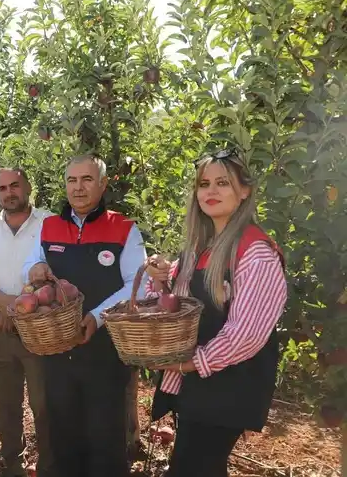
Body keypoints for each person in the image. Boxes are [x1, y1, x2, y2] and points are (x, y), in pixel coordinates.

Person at [145, 149, 287, 477]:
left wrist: (188, 363)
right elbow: (175, 306)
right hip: (197, 386)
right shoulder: (200, 247)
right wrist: (162, 280)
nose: (210, 191)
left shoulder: (255, 252)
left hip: (228, 388)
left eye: (222, 182)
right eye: (204, 183)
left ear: (245, 190)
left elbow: (246, 335)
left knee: (192, 467)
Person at [22, 154, 147, 477]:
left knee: (105, 438)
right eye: (72, 180)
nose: (78, 188)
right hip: (58, 352)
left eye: (87, 180)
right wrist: (33, 268)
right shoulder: (49, 227)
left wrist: (95, 316)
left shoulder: (123, 228)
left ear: (103, 184)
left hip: (104, 353)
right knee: (64, 436)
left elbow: (139, 284)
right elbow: (31, 264)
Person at [0, 168, 55, 477]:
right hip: (1, 331)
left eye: (15, 186)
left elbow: (52, 274)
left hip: (40, 331)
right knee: (7, 407)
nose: (9, 192)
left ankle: (48, 466)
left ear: (28, 186)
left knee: (43, 405)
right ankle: (13, 467)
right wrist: (8, 304)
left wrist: (19, 309)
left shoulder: (49, 223)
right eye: (3, 188)